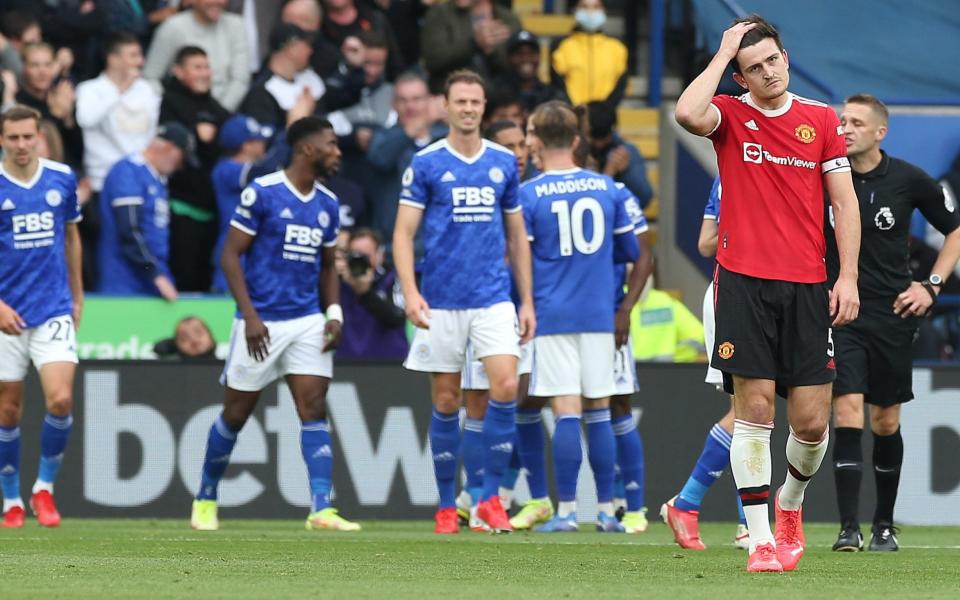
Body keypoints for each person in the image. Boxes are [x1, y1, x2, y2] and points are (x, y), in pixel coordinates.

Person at [674, 14, 861, 572]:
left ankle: (790, 504)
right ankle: (759, 541)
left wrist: (845, 276)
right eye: (753, 67)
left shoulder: (820, 119)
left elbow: (844, 204)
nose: (769, 72)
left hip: (807, 285)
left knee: (811, 423)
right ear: (740, 77)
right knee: (753, 412)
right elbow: (686, 111)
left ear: (786, 57)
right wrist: (725, 47)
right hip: (742, 283)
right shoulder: (729, 116)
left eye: (773, 60)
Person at [190, 116, 360, 532]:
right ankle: (206, 497)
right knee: (236, 414)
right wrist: (249, 316)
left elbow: (327, 268)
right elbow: (230, 256)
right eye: (331, 144)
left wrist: (333, 314)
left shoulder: (327, 204)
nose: (338, 152)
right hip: (261, 321)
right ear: (307, 149)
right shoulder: (262, 193)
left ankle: (321, 507)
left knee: (314, 407)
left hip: (305, 320)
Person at [393, 69, 535, 534]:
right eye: (461, 102)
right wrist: (412, 293)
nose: (469, 108)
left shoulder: (501, 162)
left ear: (483, 107)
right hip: (442, 301)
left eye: (476, 102)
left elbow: (517, 235)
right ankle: (442, 504)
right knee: (447, 400)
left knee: (505, 386)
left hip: (493, 298)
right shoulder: (428, 162)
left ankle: (490, 497)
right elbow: (403, 233)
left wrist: (526, 301)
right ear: (446, 106)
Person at [827, 94, 960, 552]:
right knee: (846, 410)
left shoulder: (908, 179)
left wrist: (932, 285)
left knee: (884, 421)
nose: (845, 128)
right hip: (842, 312)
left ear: (880, 132)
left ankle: (883, 523)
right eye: (842, 120)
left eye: (856, 123)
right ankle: (848, 527)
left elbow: (956, 229)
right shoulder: (825, 175)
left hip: (893, 314)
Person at [518, 101, 639, 533]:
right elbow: (633, 253)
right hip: (599, 313)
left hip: (553, 313)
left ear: (536, 139)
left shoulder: (528, 195)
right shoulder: (608, 189)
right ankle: (607, 510)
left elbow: (519, 259)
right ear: (574, 140)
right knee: (600, 409)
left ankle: (567, 512)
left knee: (566, 409)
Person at [0, 105, 82, 528]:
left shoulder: (61, 178)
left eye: (27, 137)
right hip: (5, 316)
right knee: (8, 412)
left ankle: (43, 490)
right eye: (12, 137)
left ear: (38, 136)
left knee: (61, 399)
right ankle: (11, 499)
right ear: (2, 139)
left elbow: (71, 236)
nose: (21, 145)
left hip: (52, 308)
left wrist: (78, 296)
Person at [661, 176, 749, 551]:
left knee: (759, 411)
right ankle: (703, 509)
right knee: (750, 409)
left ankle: (692, 506)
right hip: (739, 291)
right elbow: (705, 243)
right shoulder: (735, 172)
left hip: (774, 290)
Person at [160, 45, 231, 293]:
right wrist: (197, 137)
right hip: (181, 207)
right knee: (184, 276)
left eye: (206, 67)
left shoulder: (215, 107)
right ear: (178, 72)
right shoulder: (168, 103)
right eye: (196, 67)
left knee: (204, 277)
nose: (204, 73)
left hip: (211, 209)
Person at [97, 123, 194, 299]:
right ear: (168, 147)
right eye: (182, 158)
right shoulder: (128, 171)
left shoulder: (157, 179)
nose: (181, 166)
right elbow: (129, 230)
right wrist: (155, 274)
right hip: (125, 282)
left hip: (153, 280)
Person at [210, 113, 295, 293]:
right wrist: (290, 130)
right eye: (258, 140)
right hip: (235, 256)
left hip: (259, 257)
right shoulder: (225, 169)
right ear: (246, 145)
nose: (263, 143)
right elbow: (264, 170)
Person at [366, 72, 446, 243]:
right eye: (403, 100)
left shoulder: (447, 137)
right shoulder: (382, 137)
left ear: (429, 100)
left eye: (417, 99)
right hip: (394, 246)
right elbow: (380, 159)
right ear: (393, 104)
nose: (410, 106)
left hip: (440, 245)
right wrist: (416, 126)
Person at [144, 0, 250, 111]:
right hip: (182, 113)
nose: (218, 2)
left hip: (225, 112)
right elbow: (150, 78)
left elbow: (240, 80)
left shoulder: (236, 25)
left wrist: (217, 115)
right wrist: (174, 109)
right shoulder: (172, 27)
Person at [336, 228, 408, 360]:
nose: (360, 260)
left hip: (390, 364)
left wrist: (365, 293)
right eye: (354, 254)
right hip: (346, 363)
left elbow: (397, 318)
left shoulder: (392, 278)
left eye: (365, 255)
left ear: (380, 255)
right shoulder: (339, 280)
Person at [420, 0, 520, 94]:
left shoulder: (508, 19)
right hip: (450, 95)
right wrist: (474, 43)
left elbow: (516, 68)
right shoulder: (440, 13)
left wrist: (491, 52)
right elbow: (433, 61)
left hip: (498, 99)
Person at [241, 23, 324, 132]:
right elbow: (265, 143)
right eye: (306, 45)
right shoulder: (262, 92)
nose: (310, 51)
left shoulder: (310, 78)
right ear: (291, 48)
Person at [14, 42, 83, 170]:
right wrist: (55, 116)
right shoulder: (17, 102)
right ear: (24, 68)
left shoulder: (60, 96)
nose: (43, 72)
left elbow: (78, 152)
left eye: (48, 65)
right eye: (35, 65)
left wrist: (68, 118)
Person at [551, 0, 627, 108]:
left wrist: (604, 110)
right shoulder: (561, 46)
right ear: (575, 10)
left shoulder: (617, 48)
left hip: (605, 119)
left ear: (604, 10)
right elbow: (557, 83)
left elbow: (620, 86)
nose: (590, 11)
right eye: (584, 6)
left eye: (596, 6)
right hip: (572, 116)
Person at [587, 101, 653, 210]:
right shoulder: (576, 153)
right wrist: (608, 175)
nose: (598, 144)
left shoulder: (625, 152)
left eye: (603, 136)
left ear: (612, 130)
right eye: (594, 136)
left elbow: (644, 199)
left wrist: (625, 173)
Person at [494, 30, 565, 116]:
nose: (526, 59)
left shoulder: (552, 95)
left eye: (531, 53)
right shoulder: (496, 93)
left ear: (539, 57)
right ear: (509, 58)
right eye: (519, 54)